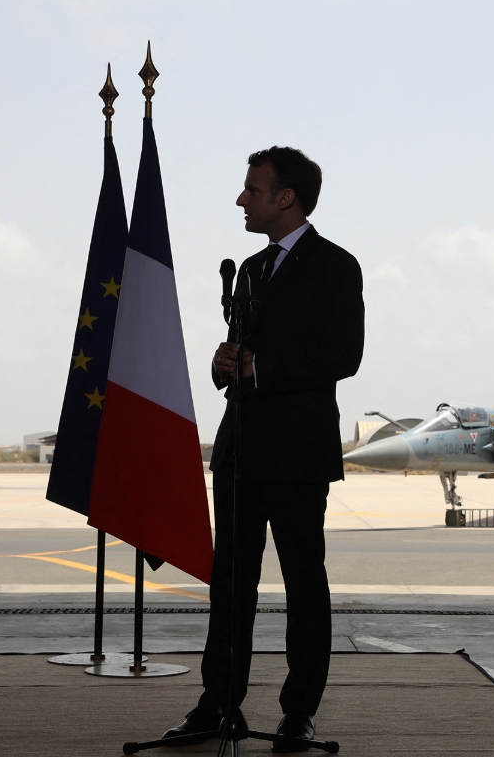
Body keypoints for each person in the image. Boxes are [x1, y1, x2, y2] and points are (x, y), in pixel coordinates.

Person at [163, 147, 364, 750]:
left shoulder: (335, 266)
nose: (241, 200)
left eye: (253, 189)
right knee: (229, 584)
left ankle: (298, 711)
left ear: (287, 198)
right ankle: (220, 704)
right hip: (240, 448)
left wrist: (260, 366)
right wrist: (226, 363)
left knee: (304, 583)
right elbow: (241, 357)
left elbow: (342, 356)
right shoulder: (249, 270)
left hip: (299, 452)